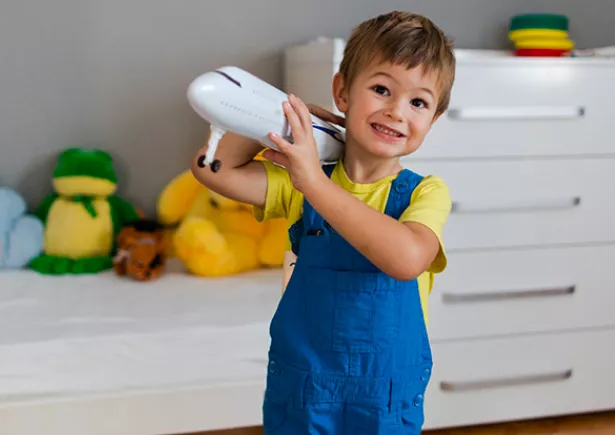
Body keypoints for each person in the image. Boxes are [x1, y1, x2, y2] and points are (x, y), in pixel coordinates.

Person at [190, 10, 456, 434]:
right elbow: (212, 169)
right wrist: (276, 123)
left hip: (383, 399)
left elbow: (406, 259)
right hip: (304, 391)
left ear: (433, 119)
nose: (396, 111)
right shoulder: (299, 181)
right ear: (343, 93)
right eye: (381, 89)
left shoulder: (425, 193)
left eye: (418, 102)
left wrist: (314, 182)